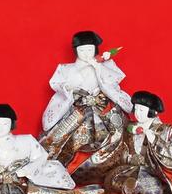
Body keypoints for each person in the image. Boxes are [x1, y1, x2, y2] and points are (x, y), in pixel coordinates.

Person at [72, 90, 172, 194]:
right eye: (136, 109)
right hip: (132, 169)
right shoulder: (131, 127)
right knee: (112, 180)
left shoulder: (167, 130)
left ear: (153, 112)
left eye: (142, 110)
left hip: (157, 172)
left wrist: (154, 139)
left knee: (147, 190)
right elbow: (120, 144)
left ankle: (160, 190)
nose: (138, 113)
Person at [38, 30, 134, 165]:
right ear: (75, 50)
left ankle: (110, 162)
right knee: (64, 135)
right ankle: (71, 163)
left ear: (95, 49)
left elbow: (111, 84)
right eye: (82, 50)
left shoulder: (106, 65)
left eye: (89, 49)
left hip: (102, 107)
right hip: (77, 108)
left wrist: (98, 67)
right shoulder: (66, 68)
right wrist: (71, 85)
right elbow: (58, 84)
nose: (86, 53)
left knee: (116, 134)